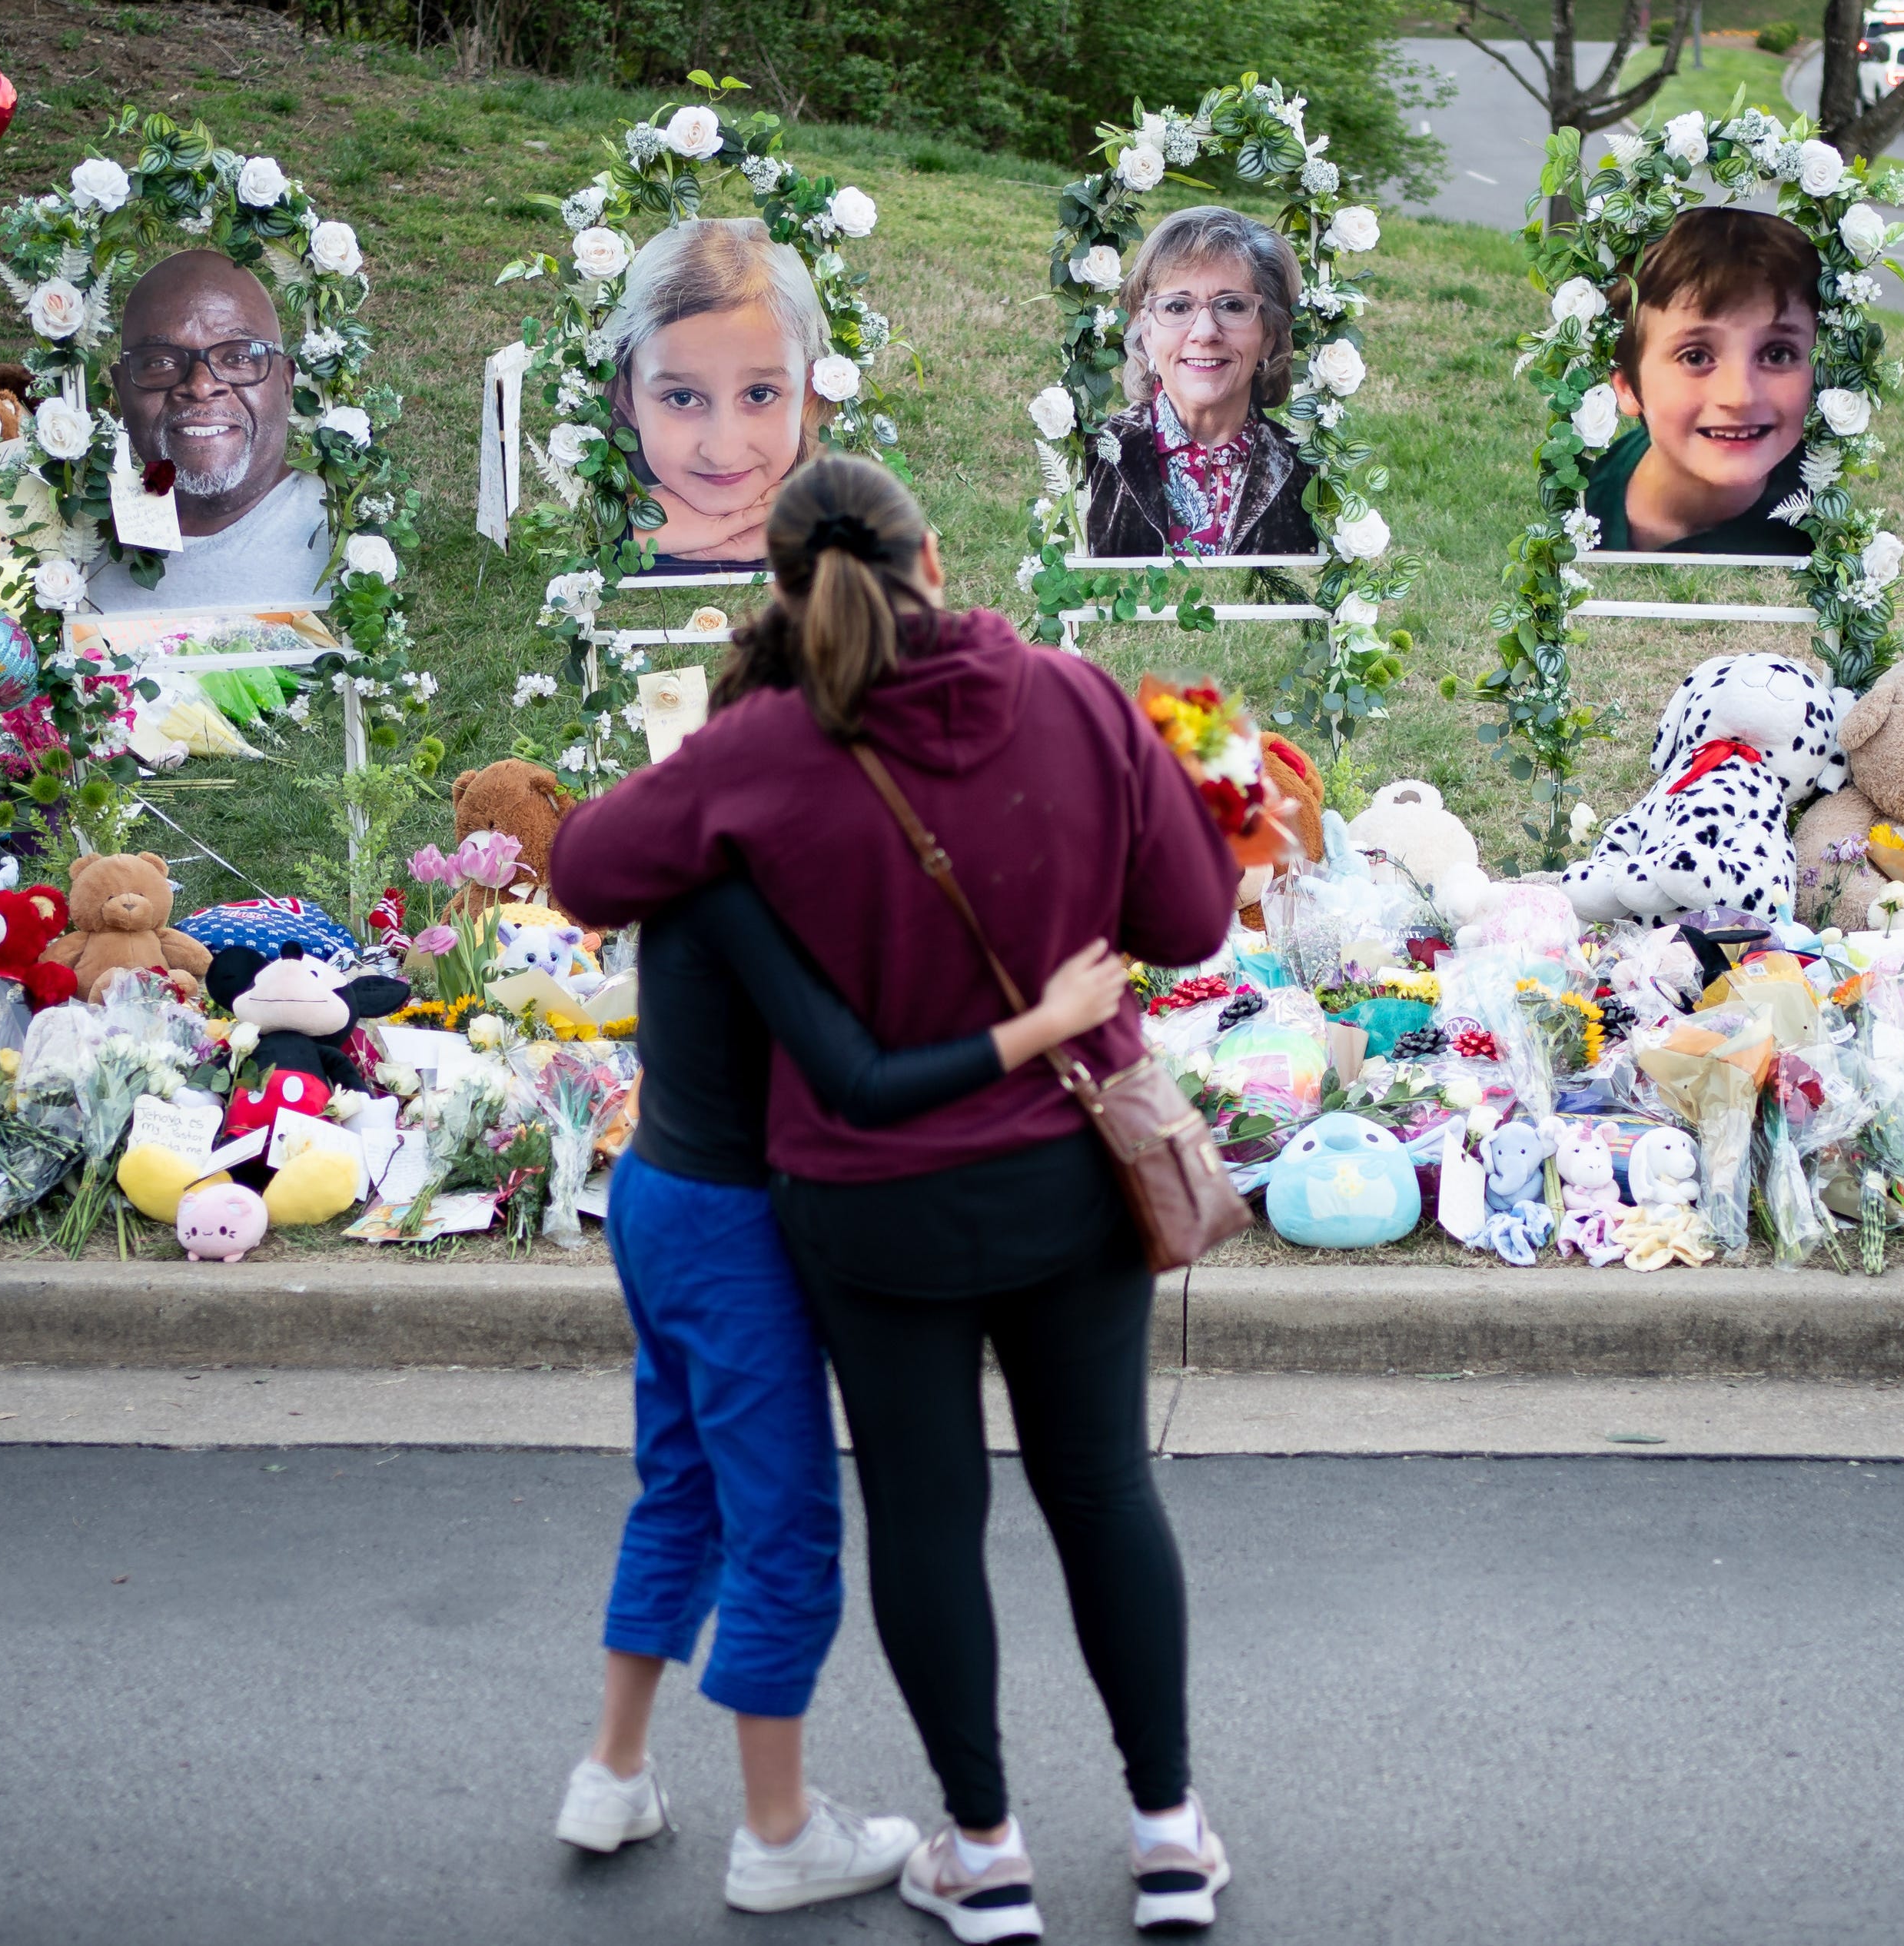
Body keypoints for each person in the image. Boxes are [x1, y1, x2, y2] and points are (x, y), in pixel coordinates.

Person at [548, 454, 1241, 1943]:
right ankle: (1167, 1833)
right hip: (1069, 1173)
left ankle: (983, 1853)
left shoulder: (765, 749)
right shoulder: (1071, 692)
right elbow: (1187, 917)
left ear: (784, 594)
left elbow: (584, 865)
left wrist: (736, 773)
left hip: (871, 1205)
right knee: (1104, 1488)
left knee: (927, 1515)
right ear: (936, 549)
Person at [556, 870, 1128, 1913]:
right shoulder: (759, 884)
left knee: (681, 1488)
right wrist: (1049, 1020)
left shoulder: (696, 851)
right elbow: (859, 1079)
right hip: (731, 1228)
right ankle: (778, 1834)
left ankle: (612, 1772)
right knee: (785, 1528)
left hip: (655, 1191)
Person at [85, 251, 331, 613]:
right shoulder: (71, 541)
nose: (201, 387)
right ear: (122, 389)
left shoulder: (346, 535)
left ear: (285, 382)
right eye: (161, 362)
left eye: (238, 358)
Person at [1083, 205, 1320, 560]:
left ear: (1269, 335)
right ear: (1145, 331)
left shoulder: (1310, 471)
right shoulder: (1089, 457)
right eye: (1178, 307)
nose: (1205, 332)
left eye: (1233, 306)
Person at [1580, 206, 1818, 555]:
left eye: (1777, 354)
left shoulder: (1821, 530)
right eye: (1695, 357)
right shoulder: (1591, 496)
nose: (1740, 397)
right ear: (1627, 387)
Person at [608, 217, 829, 569]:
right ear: (626, 397)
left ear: (808, 393)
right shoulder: (572, 523)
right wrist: (623, 531)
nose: (723, 453)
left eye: (759, 394)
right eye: (682, 398)